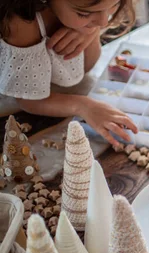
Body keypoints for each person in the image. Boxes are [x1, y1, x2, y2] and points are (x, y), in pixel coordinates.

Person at [0, 0, 138, 145]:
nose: (103, 22)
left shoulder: (82, 14)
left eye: (114, 5)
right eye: (84, 13)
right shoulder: (21, 24)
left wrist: (90, 31)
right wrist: (83, 106)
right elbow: (28, 100)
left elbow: (88, 65)